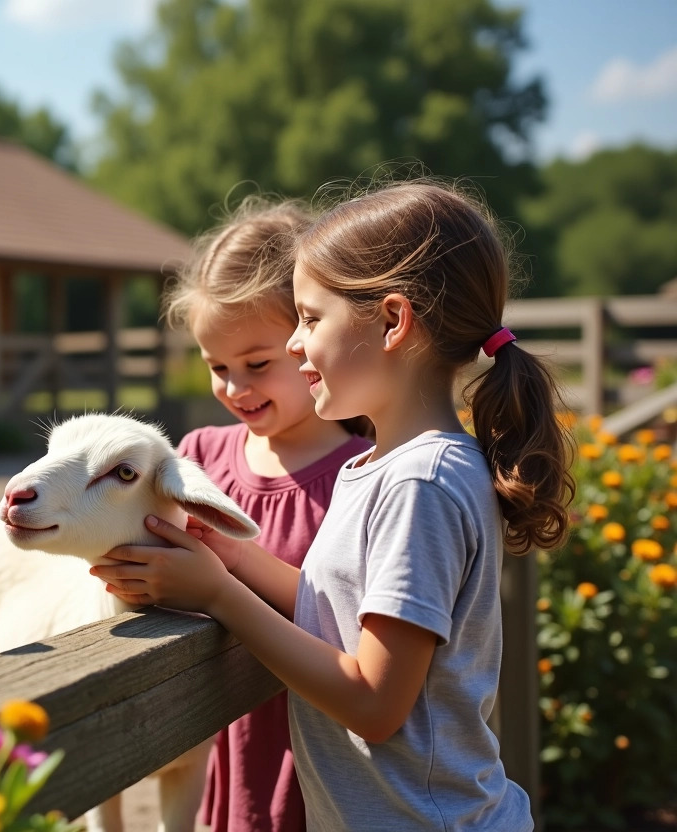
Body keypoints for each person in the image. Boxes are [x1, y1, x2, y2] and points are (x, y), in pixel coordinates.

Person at [93, 181, 575, 830]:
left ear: (393, 322)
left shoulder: (420, 485)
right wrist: (231, 556)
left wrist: (220, 596)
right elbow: (335, 611)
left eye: (312, 320)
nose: (296, 344)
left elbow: (376, 703)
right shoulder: (376, 469)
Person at [161, 195, 372, 832]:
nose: (234, 388)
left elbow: (356, 631)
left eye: (257, 365)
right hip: (230, 745)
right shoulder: (197, 458)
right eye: (217, 367)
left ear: (310, 341)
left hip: (323, 753)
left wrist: (224, 577)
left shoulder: (363, 473)